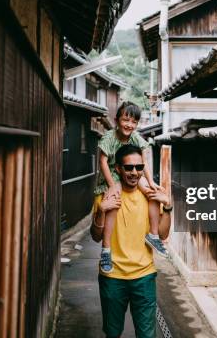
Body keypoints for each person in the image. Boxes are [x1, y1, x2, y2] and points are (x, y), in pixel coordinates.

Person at [90, 144, 173, 338]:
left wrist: (167, 206)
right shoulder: (106, 196)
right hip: (112, 277)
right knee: (113, 333)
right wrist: (102, 211)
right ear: (118, 168)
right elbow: (95, 236)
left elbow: (162, 234)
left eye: (138, 167)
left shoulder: (150, 197)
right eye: (128, 168)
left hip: (144, 277)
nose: (134, 172)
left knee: (147, 335)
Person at [94, 102, 167, 274]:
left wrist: (151, 182)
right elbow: (103, 162)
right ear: (116, 120)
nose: (129, 125)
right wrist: (112, 185)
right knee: (114, 201)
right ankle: (106, 249)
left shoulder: (135, 137)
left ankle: (153, 235)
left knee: (152, 194)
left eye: (134, 121)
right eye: (126, 120)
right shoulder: (109, 137)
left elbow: (143, 161)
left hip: (130, 171)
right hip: (112, 173)